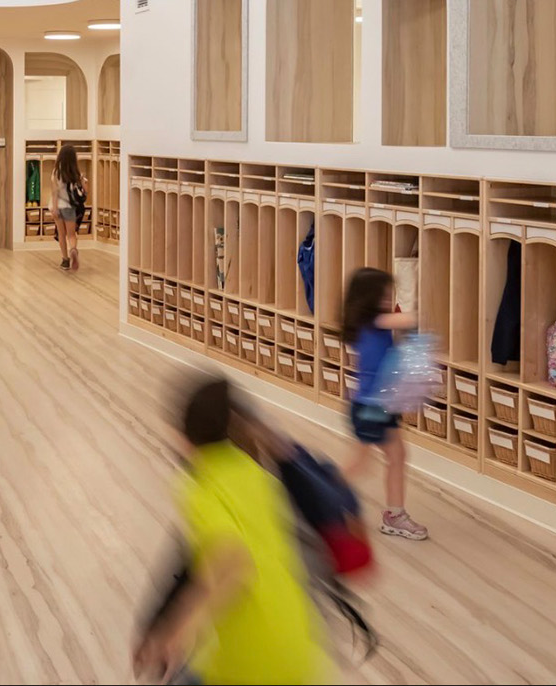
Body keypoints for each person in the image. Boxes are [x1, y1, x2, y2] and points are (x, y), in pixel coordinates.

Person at [133, 376, 335, 686]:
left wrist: (178, 630)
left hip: (250, 658)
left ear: (184, 435)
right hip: (298, 642)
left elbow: (232, 562)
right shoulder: (254, 470)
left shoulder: (200, 488)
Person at [339, 267, 428, 542]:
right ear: (369, 298)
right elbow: (410, 319)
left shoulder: (366, 323)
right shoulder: (375, 321)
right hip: (371, 408)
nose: (390, 300)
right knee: (361, 464)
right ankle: (321, 499)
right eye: (385, 295)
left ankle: (395, 515)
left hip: (381, 404)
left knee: (397, 457)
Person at [54, 143, 87, 272]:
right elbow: (85, 192)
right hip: (70, 207)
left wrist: (55, 208)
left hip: (59, 206)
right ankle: (73, 249)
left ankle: (65, 260)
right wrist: (82, 182)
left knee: (61, 234)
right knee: (71, 235)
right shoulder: (77, 174)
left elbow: (55, 192)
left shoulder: (56, 173)